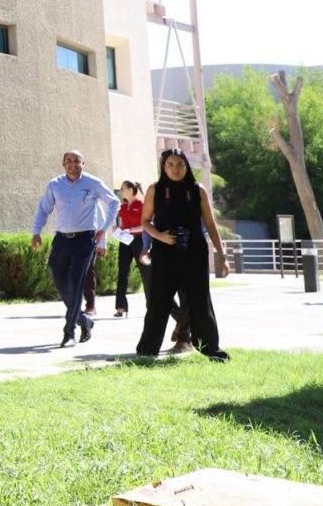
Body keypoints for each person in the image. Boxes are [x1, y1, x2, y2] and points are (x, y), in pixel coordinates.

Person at [135, 148, 231, 361]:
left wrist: (222, 255)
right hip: (164, 252)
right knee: (159, 300)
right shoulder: (155, 189)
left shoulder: (197, 189)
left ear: (187, 166)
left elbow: (210, 224)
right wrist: (160, 236)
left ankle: (210, 349)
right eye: (170, 164)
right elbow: (145, 221)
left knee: (200, 299)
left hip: (195, 251)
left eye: (180, 164)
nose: (175, 169)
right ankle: (147, 350)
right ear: (163, 167)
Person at [31, 150, 119, 347]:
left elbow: (114, 202)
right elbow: (44, 209)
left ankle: (69, 332)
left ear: (83, 163)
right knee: (57, 277)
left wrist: (104, 229)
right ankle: (83, 319)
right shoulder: (55, 184)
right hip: (62, 239)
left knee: (76, 282)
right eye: (69, 160)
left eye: (76, 161)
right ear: (63, 164)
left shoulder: (93, 183)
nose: (72, 164)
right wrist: (36, 232)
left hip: (85, 240)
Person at [113, 181, 146, 318]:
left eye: (123, 189)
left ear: (131, 190)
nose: (121, 191)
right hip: (125, 241)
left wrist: (130, 230)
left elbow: (145, 225)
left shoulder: (142, 205)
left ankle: (152, 306)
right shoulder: (122, 207)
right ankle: (120, 307)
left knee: (146, 273)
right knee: (122, 273)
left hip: (139, 241)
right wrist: (117, 229)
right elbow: (122, 225)